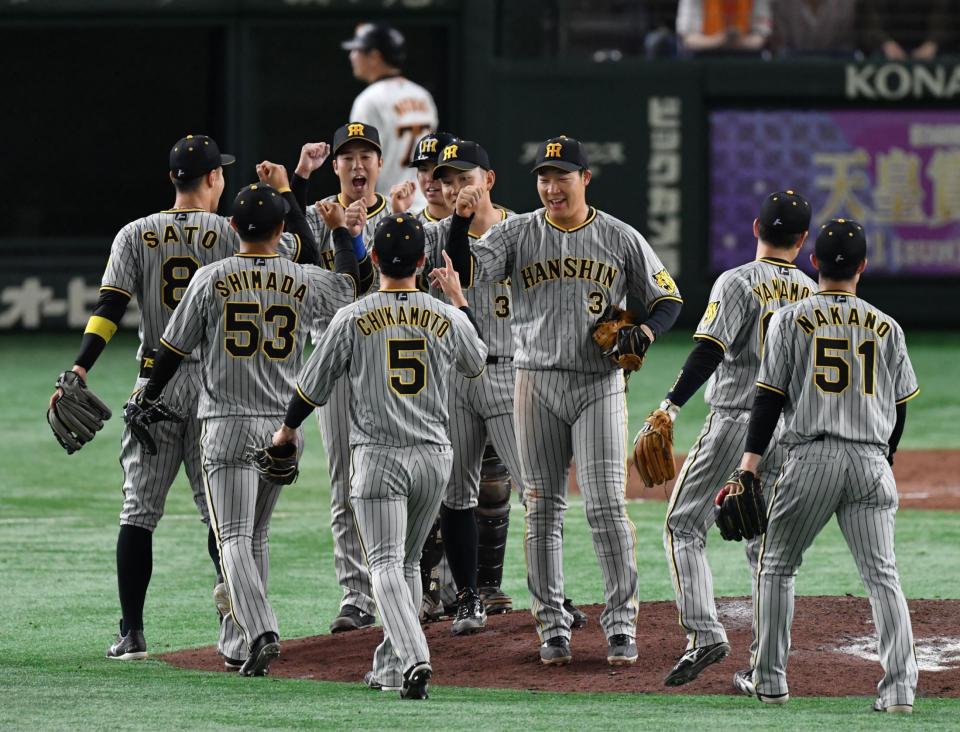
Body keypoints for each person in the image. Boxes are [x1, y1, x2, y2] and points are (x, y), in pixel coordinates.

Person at [49, 134, 315, 661]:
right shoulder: (234, 229)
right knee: (224, 517)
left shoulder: (136, 233)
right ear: (214, 179)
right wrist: (292, 189)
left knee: (138, 511)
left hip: (158, 382)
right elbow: (298, 253)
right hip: (221, 388)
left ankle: (132, 632)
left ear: (174, 180)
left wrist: (80, 365)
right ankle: (236, 624)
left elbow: (109, 307)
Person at [447, 136, 683, 666]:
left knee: (605, 505)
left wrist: (643, 331)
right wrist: (461, 223)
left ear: (585, 179)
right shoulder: (516, 233)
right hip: (534, 381)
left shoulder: (619, 237)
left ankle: (621, 624)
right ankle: (551, 627)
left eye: (562, 176)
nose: (552, 187)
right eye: (543, 178)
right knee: (543, 509)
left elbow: (667, 297)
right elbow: (466, 273)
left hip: (598, 384)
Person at [131, 176, 361, 676]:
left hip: (227, 423)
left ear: (233, 226)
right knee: (256, 533)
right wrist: (341, 233)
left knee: (232, 534)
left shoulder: (210, 278)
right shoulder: (303, 278)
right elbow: (348, 288)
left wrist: (147, 393)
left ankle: (261, 629)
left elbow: (171, 350)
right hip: (284, 427)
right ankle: (237, 641)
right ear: (282, 228)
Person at [272, 214, 488, 698]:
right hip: (435, 457)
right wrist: (458, 299)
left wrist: (286, 429)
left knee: (385, 565)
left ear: (372, 258)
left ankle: (414, 658)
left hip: (379, 457)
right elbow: (477, 362)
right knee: (408, 564)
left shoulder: (352, 316)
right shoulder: (446, 315)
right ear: (423, 261)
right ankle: (391, 667)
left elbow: (312, 386)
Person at [729, 219, 918, 711]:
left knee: (776, 566)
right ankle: (899, 690)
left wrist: (748, 468)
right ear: (862, 267)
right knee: (882, 576)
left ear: (814, 262)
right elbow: (899, 409)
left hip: (811, 459)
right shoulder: (889, 326)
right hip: (871, 463)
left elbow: (767, 402)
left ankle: (769, 681)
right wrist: (883, 457)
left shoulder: (789, 319)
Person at [642, 191, 816, 686]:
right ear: (802, 240)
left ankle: (704, 634)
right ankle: (764, 665)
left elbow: (708, 352)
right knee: (767, 548)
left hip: (736, 423)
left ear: (757, 226)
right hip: (789, 432)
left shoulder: (737, 281)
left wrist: (668, 405)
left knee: (683, 525)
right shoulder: (812, 294)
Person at [297, 123, 395, 634]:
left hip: (392, 366)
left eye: (367, 155)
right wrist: (300, 182)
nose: (358, 165)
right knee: (343, 481)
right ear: (335, 166)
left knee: (407, 475)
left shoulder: (401, 217)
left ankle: (414, 586)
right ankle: (356, 596)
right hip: (334, 366)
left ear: (380, 163)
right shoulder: (315, 218)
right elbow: (302, 268)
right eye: (348, 157)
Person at [342, 23, 438, 209]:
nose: (351, 56)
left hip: (388, 206)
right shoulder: (422, 96)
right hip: (427, 204)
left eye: (357, 50)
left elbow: (360, 164)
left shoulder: (369, 100)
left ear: (375, 57)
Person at [858, 0, 954, 60]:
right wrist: (886, 43)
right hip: (885, 49)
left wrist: (932, 43)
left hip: (929, 49)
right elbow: (871, 21)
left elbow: (941, 17)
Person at [677, 0, 772, 53]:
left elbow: (760, 37)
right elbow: (688, 39)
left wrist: (739, 42)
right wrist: (720, 40)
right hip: (703, 56)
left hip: (747, 56)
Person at [405, 131, 459, 223]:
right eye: (423, 169)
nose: (430, 178)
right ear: (417, 175)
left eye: (438, 169)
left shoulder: (479, 223)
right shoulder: (410, 225)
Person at [769, 0, 856, 55]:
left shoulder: (846, 4)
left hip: (835, 70)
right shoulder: (780, 4)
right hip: (792, 71)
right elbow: (780, 49)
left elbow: (846, 46)